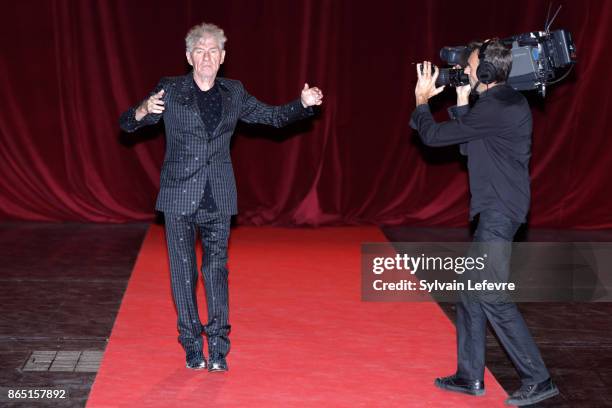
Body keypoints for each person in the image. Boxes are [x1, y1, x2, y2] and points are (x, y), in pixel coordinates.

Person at [119, 22, 323, 372]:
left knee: (216, 271)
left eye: (213, 51)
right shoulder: (169, 89)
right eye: (200, 50)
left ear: (223, 57)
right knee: (183, 275)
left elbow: (272, 118)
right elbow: (127, 123)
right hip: (179, 195)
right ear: (189, 57)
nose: (207, 57)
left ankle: (217, 348)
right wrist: (141, 110)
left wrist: (301, 104)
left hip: (219, 194)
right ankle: (191, 345)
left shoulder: (235, 93)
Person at [410, 40, 558, 406]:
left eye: (472, 65)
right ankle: (469, 376)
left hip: (499, 212)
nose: (468, 70)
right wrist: (462, 98)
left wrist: (421, 101)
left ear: (488, 73)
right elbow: (468, 145)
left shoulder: (497, 106)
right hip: (497, 210)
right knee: (470, 294)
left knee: (491, 294)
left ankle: (538, 379)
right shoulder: (501, 102)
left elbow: (434, 136)